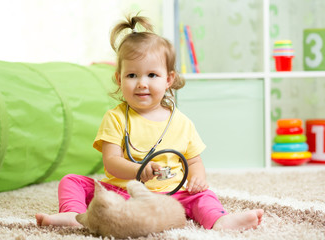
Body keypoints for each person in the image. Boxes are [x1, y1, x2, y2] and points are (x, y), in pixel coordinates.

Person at [36, 14, 263, 230]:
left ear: (169, 79)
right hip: (123, 192)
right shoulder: (115, 118)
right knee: (72, 181)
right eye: (132, 75)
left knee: (203, 197)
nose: (142, 83)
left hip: (172, 194)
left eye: (152, 75)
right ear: (119, 78)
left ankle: (219, 221)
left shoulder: (181, 122)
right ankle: (73, 215)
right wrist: (139, 170)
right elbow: (111, 162)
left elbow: (194, 162)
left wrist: (198, 179)